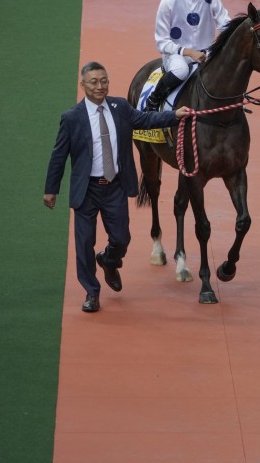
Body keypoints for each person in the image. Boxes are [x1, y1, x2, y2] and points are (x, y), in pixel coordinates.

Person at [43, 62, 188, 312]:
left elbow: (146, 120)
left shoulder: (120, 107)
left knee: (122, 238)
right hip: (86, 190)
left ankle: (109, 260)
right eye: (94, 82)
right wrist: (50, 189)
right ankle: (92, 292)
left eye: (104, 81)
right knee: (84, 243)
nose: (100, 86)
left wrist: (173, 115)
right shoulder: (71, 118)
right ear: (83, 86)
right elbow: (59, 155)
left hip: (115, 187)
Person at [146, 0, 231, 111]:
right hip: (178, 56)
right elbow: (162, 42)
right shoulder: (169, 0)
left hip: (206, 53)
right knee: (181, 70)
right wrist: (190, 52)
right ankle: (154, 100)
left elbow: (225, 22)